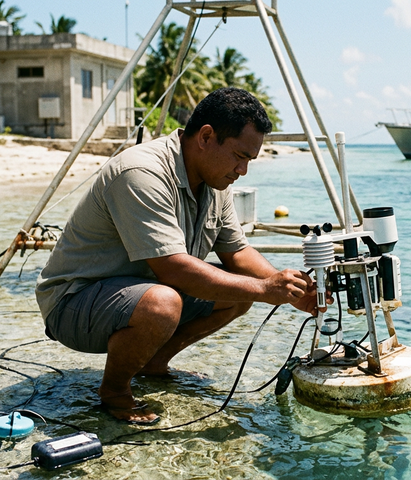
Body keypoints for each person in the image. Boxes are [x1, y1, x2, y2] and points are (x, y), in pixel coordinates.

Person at [35, 87, 322, 424]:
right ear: (206, 136)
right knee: (166, 303)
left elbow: (238, 252)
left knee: (238, 293)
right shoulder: (141, 172)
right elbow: (173, 270)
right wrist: (264, 290)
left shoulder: (216, 183)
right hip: (73, 302)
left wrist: (289, 288)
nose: (243, 170)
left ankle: (155, 362)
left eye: (249, 161)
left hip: (140, 291)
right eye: (239, 156)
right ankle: (114, 390)